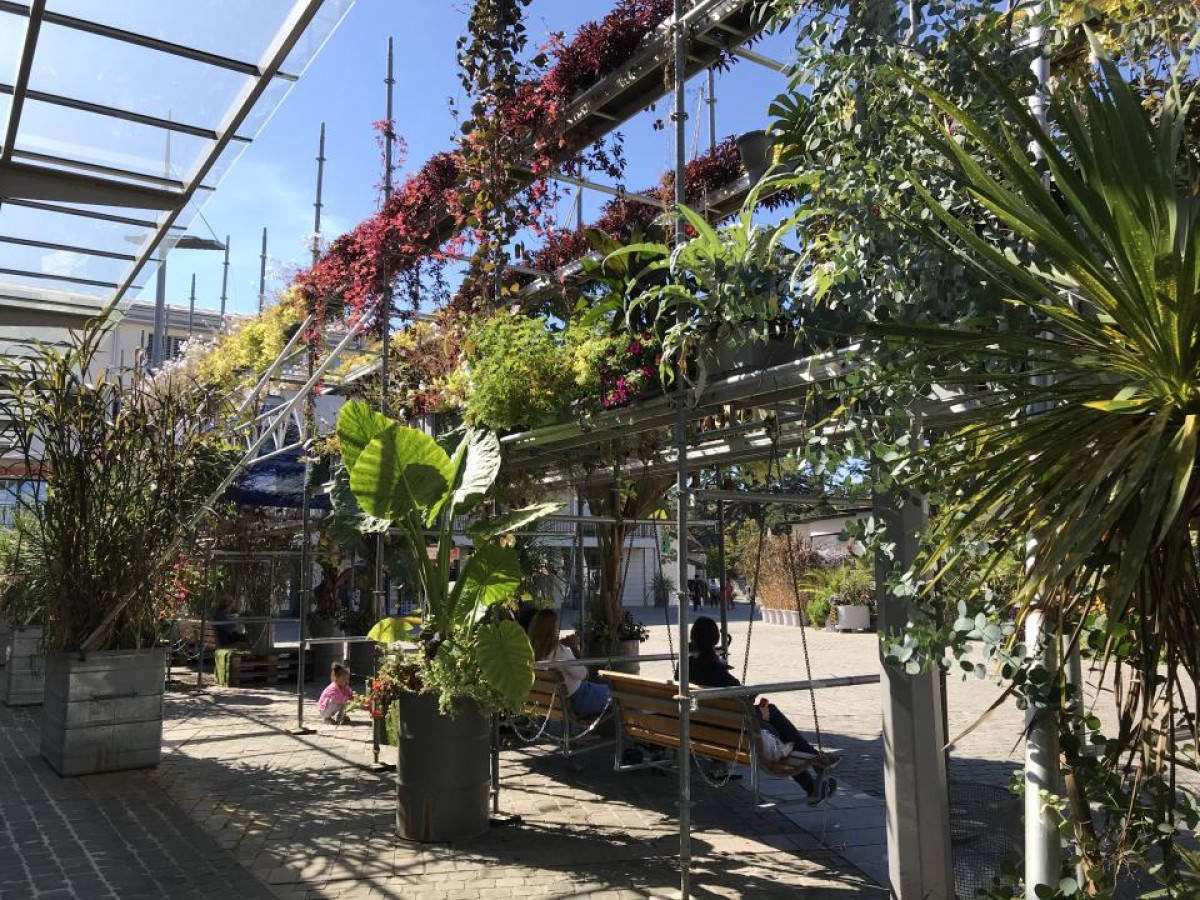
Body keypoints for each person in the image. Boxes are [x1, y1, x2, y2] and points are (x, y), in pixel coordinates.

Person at [687, 616, 839, 805]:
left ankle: (814, 774)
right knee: (777, 732)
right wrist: (760, 714)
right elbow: (742, 699)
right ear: (716, 639)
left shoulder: (685, 667)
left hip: (704, 729)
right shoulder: (718, 674)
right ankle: (815, 771)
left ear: (693, 637)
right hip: (738, 734)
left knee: (772, 715)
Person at [526, 608, 610, 718]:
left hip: (551, 703)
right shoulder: (560, 652)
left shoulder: (529, 653)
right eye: (557, 627)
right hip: (578, 700)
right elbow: (584, 675)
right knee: (619, 694)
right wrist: (574, 647)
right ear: (552, 631)